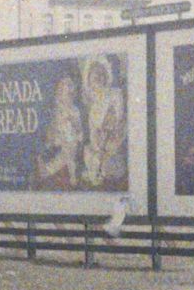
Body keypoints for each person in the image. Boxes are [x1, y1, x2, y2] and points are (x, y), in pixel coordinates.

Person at [78, 55, 127, 190]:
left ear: (106, 76)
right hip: (100, 147)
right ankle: (96, 172)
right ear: (89, 82)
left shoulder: (115, 94)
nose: (98, 78)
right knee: (88, 151)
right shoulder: (93, 107)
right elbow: (94, 133)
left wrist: (105, 142)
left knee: (105, 162)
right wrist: (97, 147)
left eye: (101, 74)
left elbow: (116, 121)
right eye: (94, 76)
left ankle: (100, 171)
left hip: (114, 143)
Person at [34, 74, 82, 190]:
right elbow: (52, 126)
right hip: (58, 137)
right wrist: (52, 136)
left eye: (68, 93)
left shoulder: (75, 110)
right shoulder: (56, 109)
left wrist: (72, 120)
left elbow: (78, 129)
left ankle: (50, 171)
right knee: (57, 147)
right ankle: (67, 172)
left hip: (71, 138)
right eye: (61, 92)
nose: (64, 97)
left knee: (68, 152)